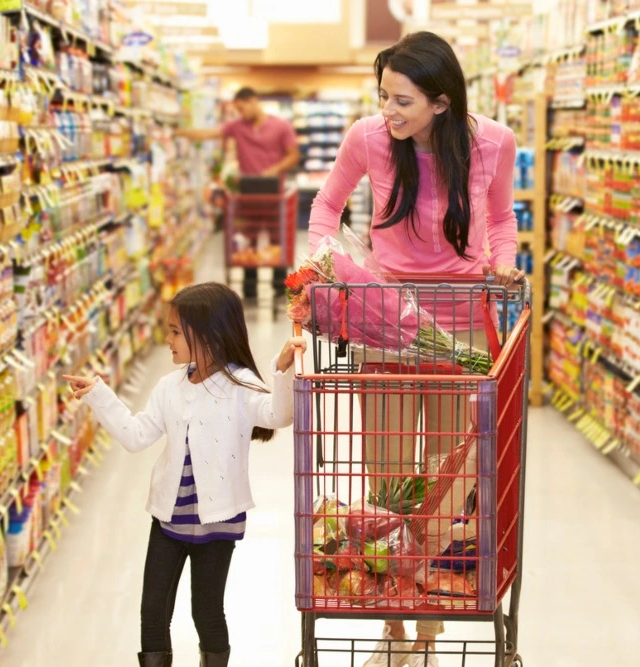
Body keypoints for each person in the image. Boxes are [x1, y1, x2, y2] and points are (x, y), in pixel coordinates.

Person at [307, 31, 524, 667]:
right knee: (391, 476)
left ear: (442, 101)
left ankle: (428, 624)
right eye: (382, 98)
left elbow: (503, 220)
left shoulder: (494, 143)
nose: (388, 112)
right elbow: (327, 204)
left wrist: (504, 262)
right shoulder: (367, 139)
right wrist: (325, 255)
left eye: (402, 100)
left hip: (461, 328)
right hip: (387, 323)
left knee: (446, 480)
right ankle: (393, 623)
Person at [63, 282, 305, 667]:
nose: (168, 339)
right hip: (168, 518)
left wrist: (281, 371)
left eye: (175, 331)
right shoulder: (168, 387)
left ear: (207, 335)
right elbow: (136, 435)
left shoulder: (239, 385)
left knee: (206, 613)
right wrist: (98, 394)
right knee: (152, 611)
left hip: (218, 522)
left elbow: (278, 416)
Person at [178, 87, 300, 300]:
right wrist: (179, 133)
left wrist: (271, 172)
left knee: (276, 241)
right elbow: (210, 134)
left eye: (241, 108)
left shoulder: (281, 126)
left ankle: (279, 288)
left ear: (253, 101)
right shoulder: (237, 126)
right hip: (246, 196)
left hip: (274, 196)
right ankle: (249, 289)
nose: (239, 113)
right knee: (247, 241)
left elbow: (293, 156)